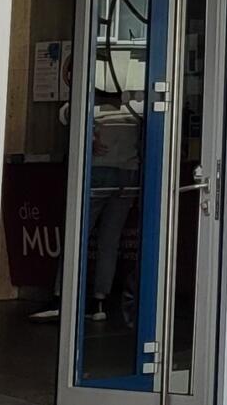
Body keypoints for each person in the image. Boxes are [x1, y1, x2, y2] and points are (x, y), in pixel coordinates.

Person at [84, 87, 144, 322]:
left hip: (98, 174)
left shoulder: (95, 116)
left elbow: (66, 116)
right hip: (127, 179)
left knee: (79, 235)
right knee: (110, 241)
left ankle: (63, 296)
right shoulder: (133, 117)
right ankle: (100, 300)